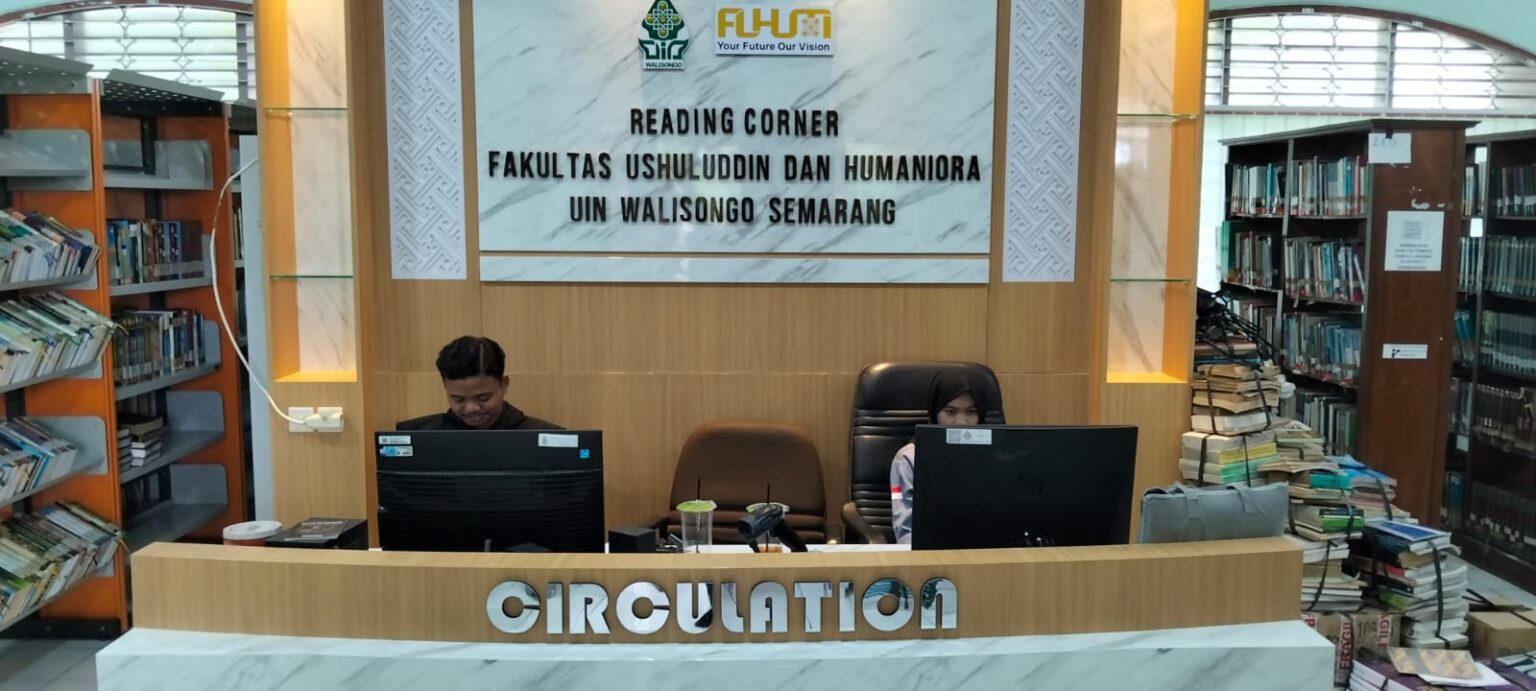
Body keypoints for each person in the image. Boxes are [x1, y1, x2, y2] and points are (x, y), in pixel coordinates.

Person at [889, 370, 988, 545]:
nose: (961, 422)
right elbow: (906, 531)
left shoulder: (996, 458)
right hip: (930, 553)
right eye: (950, 412)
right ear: (935, 413)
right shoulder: (908, 459)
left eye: (971, 412)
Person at [396, 336, 562, 431]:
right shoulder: (418, 436)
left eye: (483, 398)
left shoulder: (544, 436)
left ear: (504, 384)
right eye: (458, 399)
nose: (471, 408)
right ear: (445, 388)